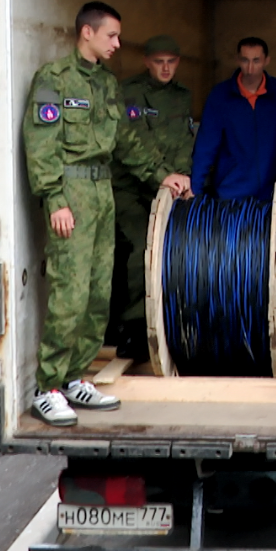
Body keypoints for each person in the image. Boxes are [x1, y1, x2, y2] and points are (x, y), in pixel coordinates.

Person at [23, 2, 189, 427]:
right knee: (70, 293)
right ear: (87, 33)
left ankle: (76, 376)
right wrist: (54, 198)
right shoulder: (54, 80)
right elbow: (41, 144)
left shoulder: (106, 84)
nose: (117, 43)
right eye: (111, 35)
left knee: (98, 293)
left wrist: (161, 175)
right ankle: (48, 385)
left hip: (102, 191)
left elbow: (126, 141)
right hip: (73, 193)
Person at [109, 34, 194, 362]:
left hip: (169, 189)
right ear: (146, 62)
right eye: (159, 62)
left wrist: (185, 176)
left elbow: (186, 138)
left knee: (174, 253)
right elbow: (132, 143)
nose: (166, 68)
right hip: (133, 187)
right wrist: (162, 174)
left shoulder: (182, 96)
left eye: (171, 62)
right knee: (140, 250)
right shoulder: (129, 92)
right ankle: (133, 329)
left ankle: (169, 323)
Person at [191, 37, 276, 200]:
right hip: (231, 193)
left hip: (273, 194)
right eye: (245, 60)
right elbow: (206, 146)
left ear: (267, 61)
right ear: (237, 60)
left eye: (256, 61)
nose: (250, 68)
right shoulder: (220, 96)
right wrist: (195, 190)